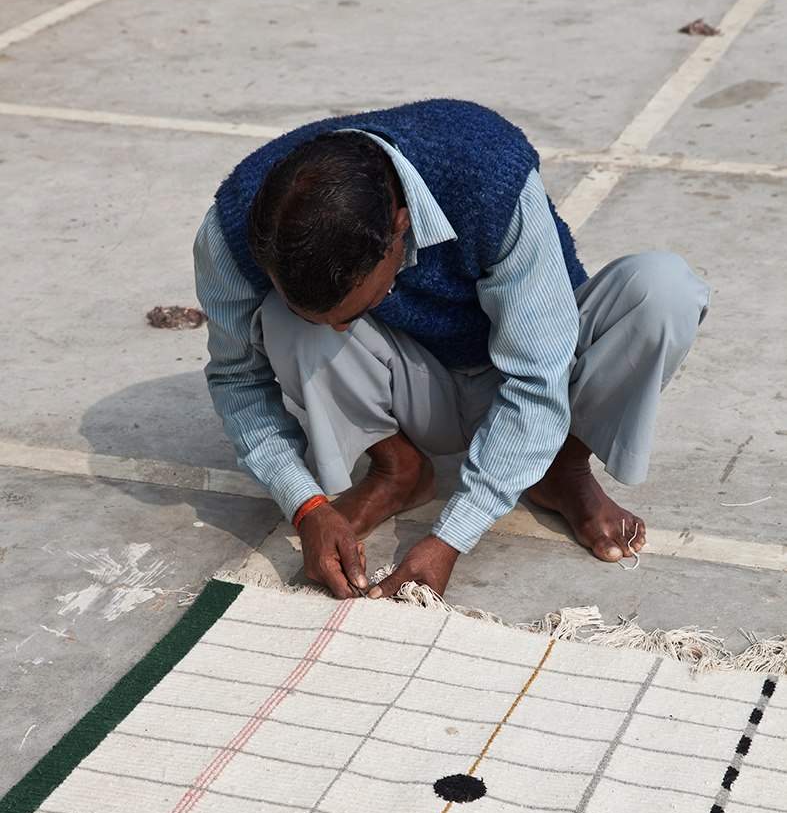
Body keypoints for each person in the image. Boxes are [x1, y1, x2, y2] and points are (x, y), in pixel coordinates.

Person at [194, 98, 709, 601]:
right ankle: (398, 469)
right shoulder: (234, 227)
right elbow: (238, 378)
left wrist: (450, 537)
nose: (336, 332)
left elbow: (537, 376)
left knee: (664, 289)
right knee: (285, 320)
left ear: (399, 228)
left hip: (548, 370)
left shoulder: (487, 169)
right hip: (416, 388)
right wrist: (305, 505)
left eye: (354, 311)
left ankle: (562, 467)